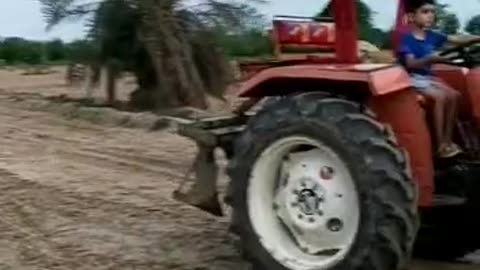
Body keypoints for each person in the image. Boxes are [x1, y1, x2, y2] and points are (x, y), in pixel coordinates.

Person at [398, 0, 480, 158]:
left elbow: (457, 39)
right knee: (440, 97)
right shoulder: (407, 38)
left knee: (455, 95)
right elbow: (411, 63)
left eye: (432, 12)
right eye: (425, 12)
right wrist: (430, 59)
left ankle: (448, 142)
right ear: (411, 16)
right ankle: (440, 145)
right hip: (410, 77)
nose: (431, 16)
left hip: (426, 77)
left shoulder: (432, 35)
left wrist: (477, 38)